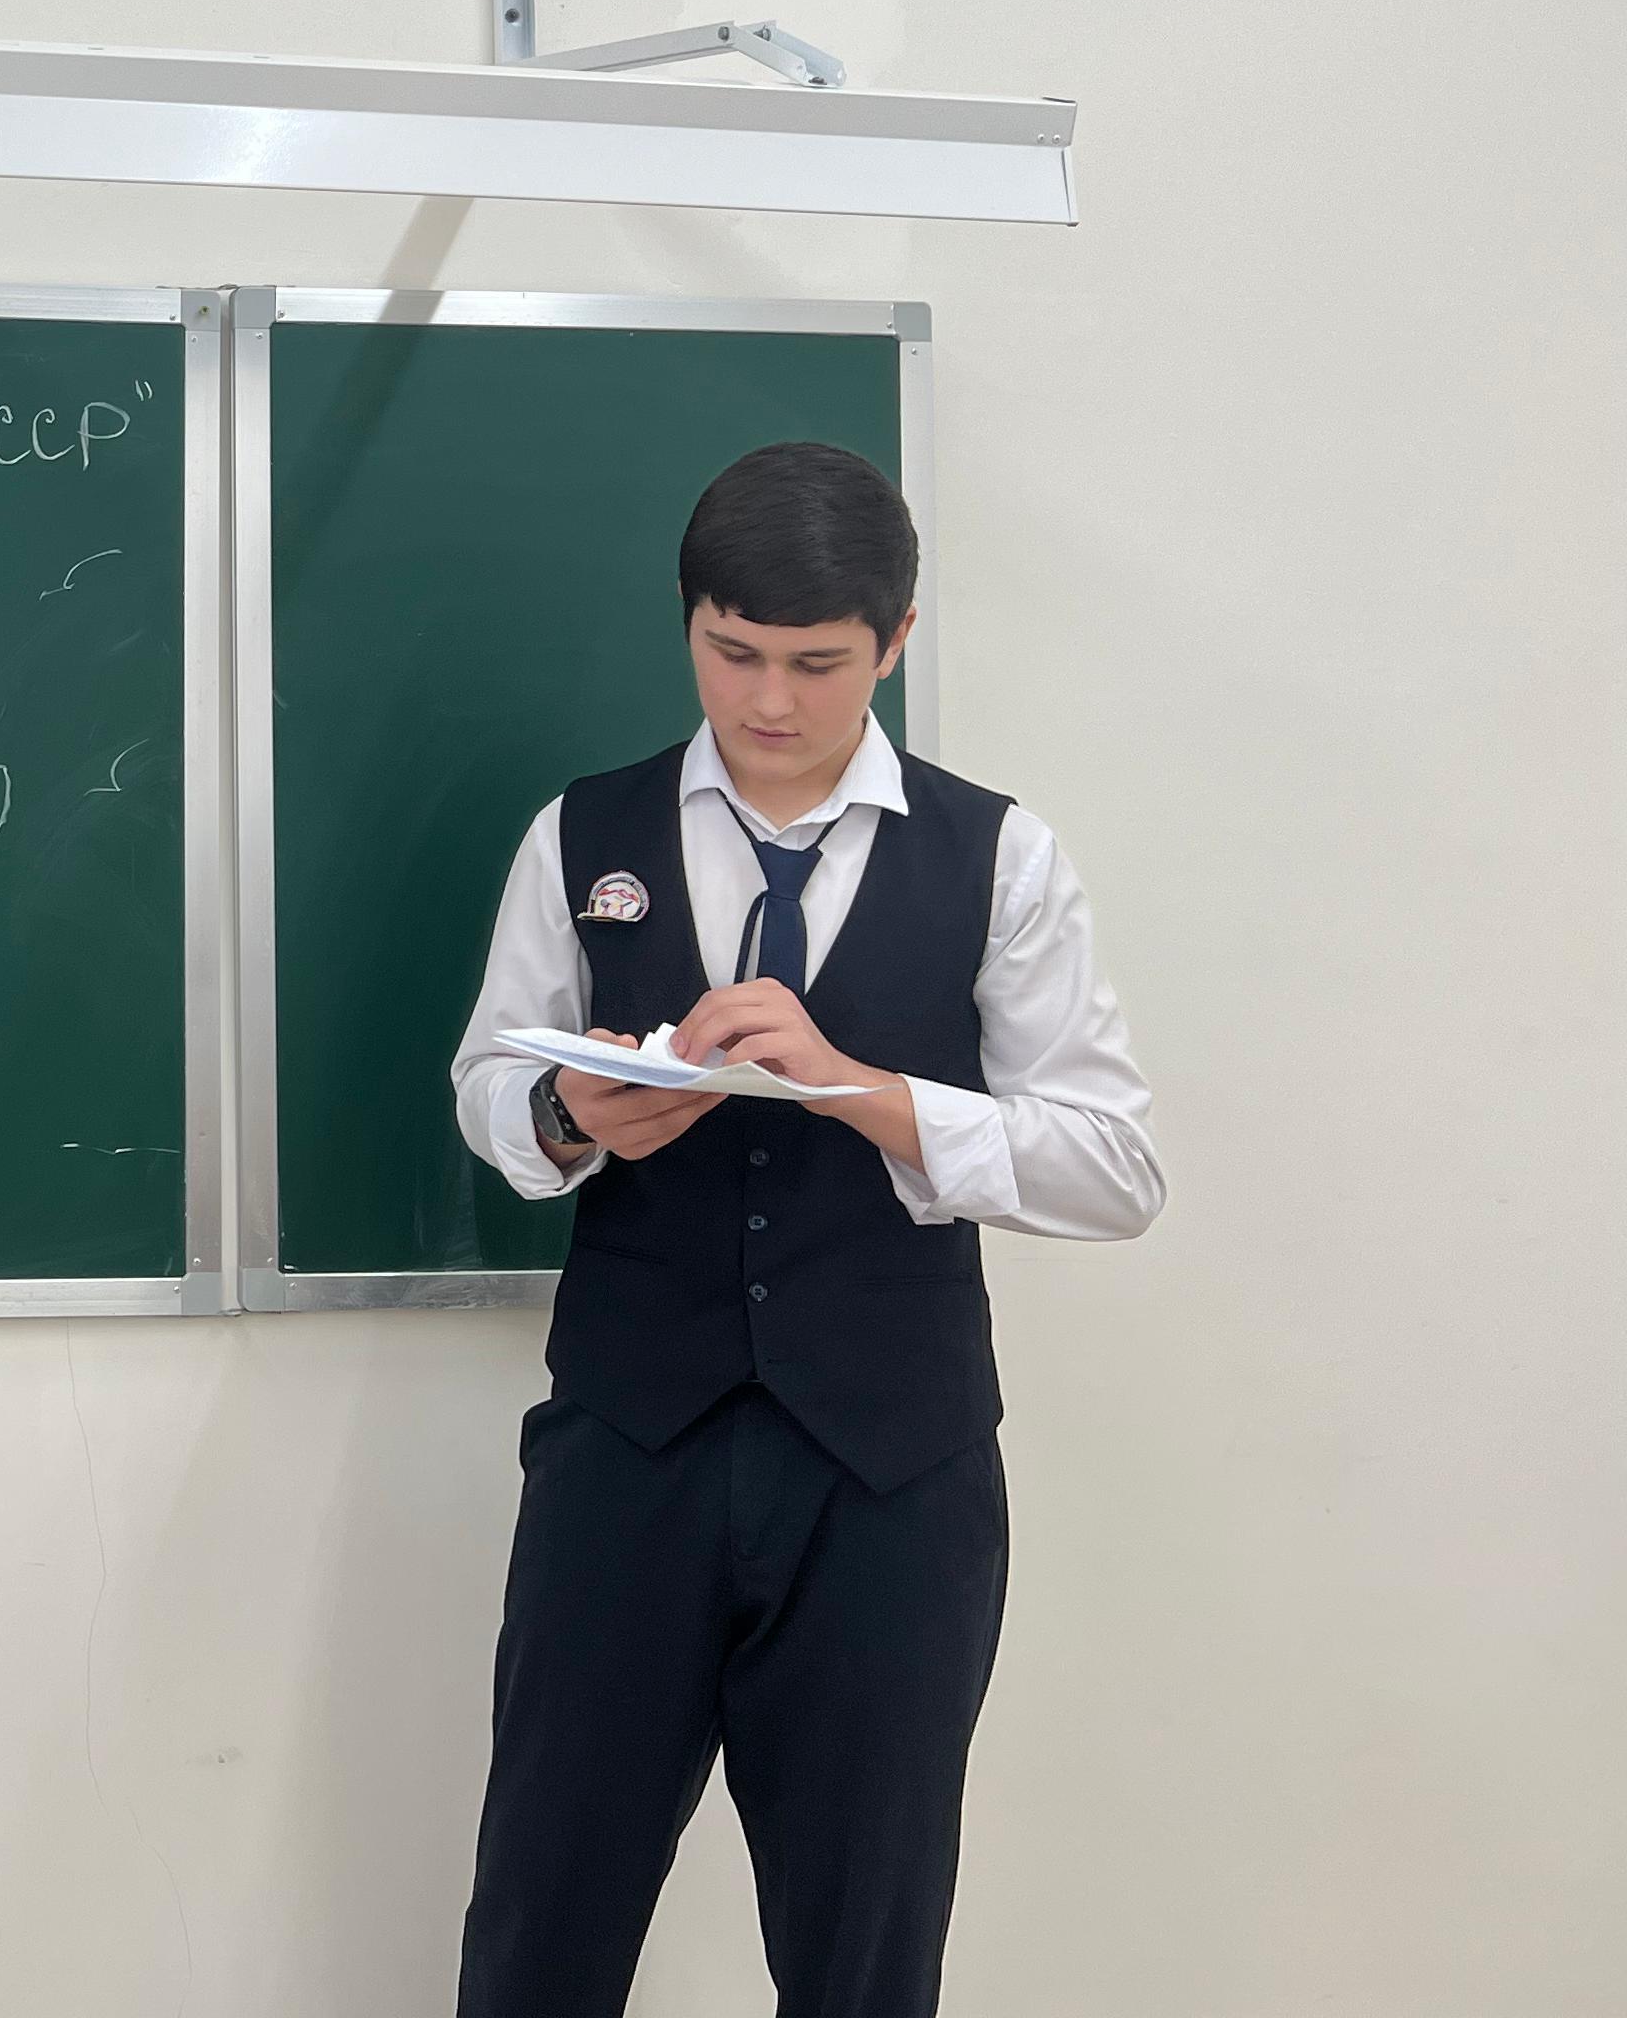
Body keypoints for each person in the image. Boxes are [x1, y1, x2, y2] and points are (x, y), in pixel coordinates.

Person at [446, 442, 1163, 2018]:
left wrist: (867, 1094)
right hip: (627, 1448)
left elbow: (1115, 1165)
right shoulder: (581, 835)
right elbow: (492, 1080)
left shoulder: (1000, 858)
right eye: (733, 652)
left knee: (865, 1953)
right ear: (689, 621)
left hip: (893, 1474)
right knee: (542, 1922)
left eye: (818, 664)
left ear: (895, 642)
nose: (768, 701)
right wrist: (568, 1116)